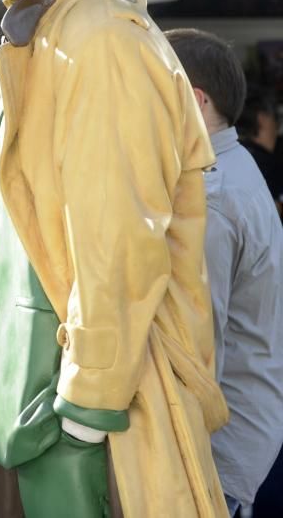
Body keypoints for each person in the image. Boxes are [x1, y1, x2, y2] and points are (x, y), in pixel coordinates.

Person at [0, 0, 227, 517]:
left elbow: (119, 240)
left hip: (88, 424)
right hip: (42, 420)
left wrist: (87, 403)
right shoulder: (54, 35)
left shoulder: (97, 39)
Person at [167, 30, 283, 517]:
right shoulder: (230, 170)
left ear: (195, 100)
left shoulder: (212, 196)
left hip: (222, 449)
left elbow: (199, 347)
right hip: (241, 433)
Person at [236, 86, 283, 217]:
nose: (277, 127)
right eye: (276, 118)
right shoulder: (270, 165)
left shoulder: (235, 155)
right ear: (263, 118)